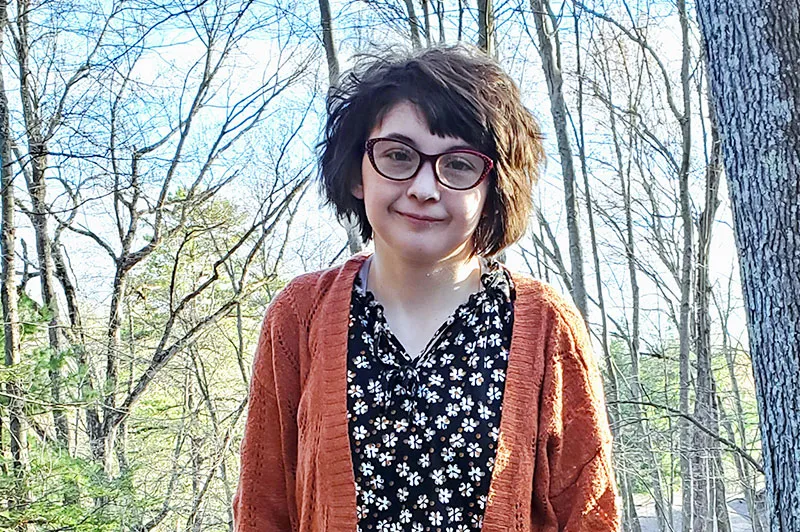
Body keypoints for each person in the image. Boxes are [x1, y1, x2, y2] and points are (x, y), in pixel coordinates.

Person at [233, 45, 619, 532]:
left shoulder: (545, 326)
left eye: (458, 164)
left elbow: (588, 514)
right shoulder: (301, 315)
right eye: (398, 155)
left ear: (491, 189)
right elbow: (264, 510)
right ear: (357, 171)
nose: (424, 187)